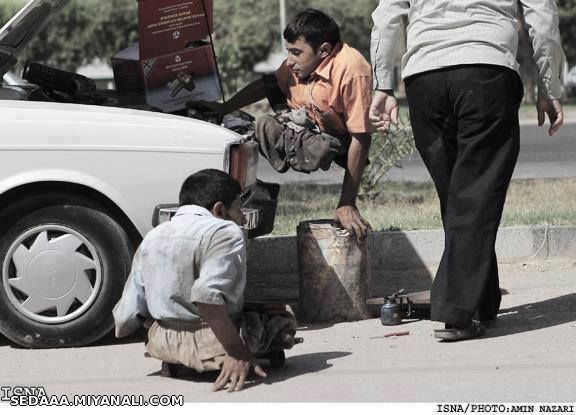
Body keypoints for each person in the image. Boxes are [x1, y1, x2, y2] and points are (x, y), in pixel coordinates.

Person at [369, 1, 565, 341]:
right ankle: (457, 311)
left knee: (460, 195)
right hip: (486, 70)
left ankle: (482, 302)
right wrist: (550, 86)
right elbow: (543, 19)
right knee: (474, 195)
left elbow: (387, 16)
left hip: (425, 79)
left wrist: (384, 84)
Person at [113, 169, 297, 392]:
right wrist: (236, 351)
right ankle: (227, 355)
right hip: (214, 344)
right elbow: (206, 297)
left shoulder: (154, 235)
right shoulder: (225, 231)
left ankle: (178, 360)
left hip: (162, 343)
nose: (241, 217)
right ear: (219, 209)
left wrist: (166, 320)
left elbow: (128, 314)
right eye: (238, 209)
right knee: (282, 315)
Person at [204, 9, 373, 239]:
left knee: (320, 146)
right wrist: (225, 108)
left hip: (334, 138)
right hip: (304, 119)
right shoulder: (298, 64)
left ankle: (306, 144)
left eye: (296, 53)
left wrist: (347, 202)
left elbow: (361, 138)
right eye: (288, 52)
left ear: (324, 50)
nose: (290, 61)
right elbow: (265, 86)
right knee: (253, 127)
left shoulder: (352, 70)